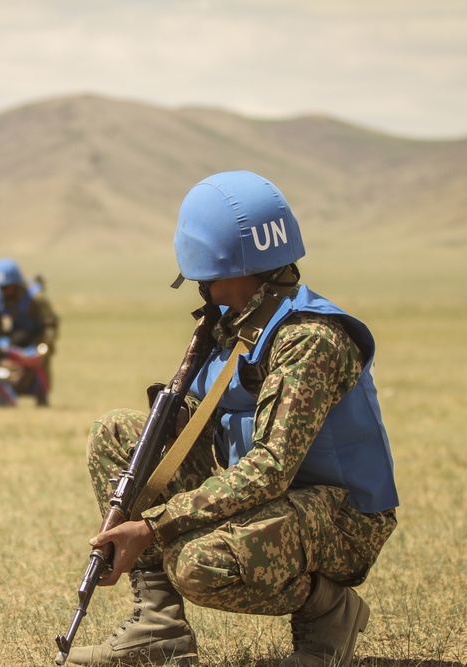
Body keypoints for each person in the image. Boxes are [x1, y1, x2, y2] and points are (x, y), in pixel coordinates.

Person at [65, 171, 399, 667]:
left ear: (225, 265)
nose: (201, 288)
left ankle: (330, 613)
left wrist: (154, 526)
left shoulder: (308, 338)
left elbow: (270, 466)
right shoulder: (235, 327)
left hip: (342, 517)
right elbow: (217, 425)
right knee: (118, 433)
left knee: (197, 563)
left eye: (203, 277)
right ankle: (160, 627)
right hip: (274, 498)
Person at [0, 258, 59, 406]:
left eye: (8, 287)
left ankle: (41, 397)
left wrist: (44, 346)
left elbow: (50, 324)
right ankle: (4, 397)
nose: (5, 291)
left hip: (35, 342)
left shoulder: (35, 298)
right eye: (1, 287)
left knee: (39, 365)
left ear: (16, 283)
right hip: (11, 342)